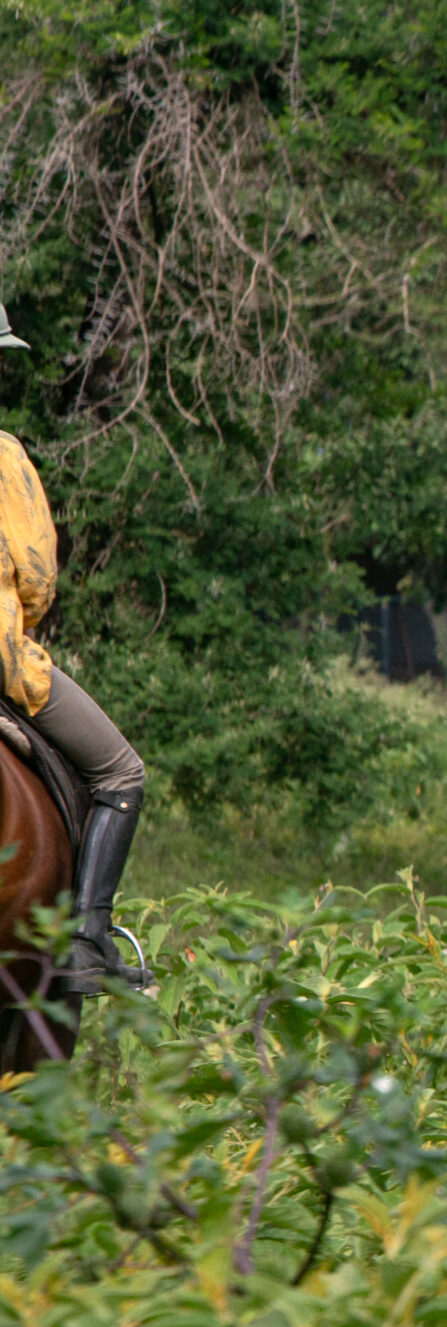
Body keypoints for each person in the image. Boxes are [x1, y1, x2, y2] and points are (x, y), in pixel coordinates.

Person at [0, 297, 150, 991]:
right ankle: (89, 937)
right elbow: (37, 577)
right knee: (121, 772)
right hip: (5, 663)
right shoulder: (6, 458)